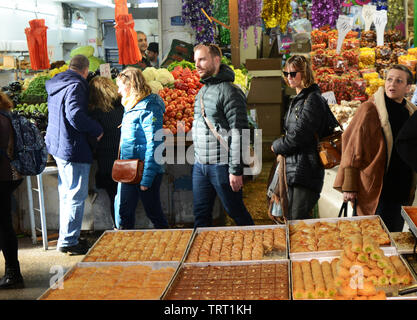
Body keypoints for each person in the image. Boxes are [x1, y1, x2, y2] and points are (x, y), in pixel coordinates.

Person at [334, 64, 417, 232]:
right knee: (370, 236)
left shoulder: (410, 112)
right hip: (376, 188)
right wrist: (349, 186)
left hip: (401, 189)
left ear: (408, 87)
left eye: (399, 81)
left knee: (393, 236)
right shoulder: (370, 109)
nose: (392, 84)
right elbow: (351, 146)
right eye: (389, 79)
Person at [45, 54, 104, 255]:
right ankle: (69, 241)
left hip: (59, 146)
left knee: (67, 194)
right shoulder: (77, 86)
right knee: (76, 195)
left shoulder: (57, 83)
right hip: (73, 147)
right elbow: (75, 115)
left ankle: (66, 236)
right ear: (85, 70)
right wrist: (96, 129)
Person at [192, 43, 254, 227]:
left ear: (216, 60)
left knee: (235, 210)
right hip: (200, 165)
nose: (197, 65)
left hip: (222, 165)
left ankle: (255, 245)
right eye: (195, 60)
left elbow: (239, 131)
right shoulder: (202, 91)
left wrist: (235, 170)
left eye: (202, 59)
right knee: (201, 214)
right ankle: (203, 255)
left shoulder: (230, 91)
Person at [271, 55, 337, 221]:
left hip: (306, 170)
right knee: (291, 218)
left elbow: (301, 135)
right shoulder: (299, 99)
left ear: (305, 73)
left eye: (293, 74)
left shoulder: (312, 99)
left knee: (297, 221)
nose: (289, 77)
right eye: (286, 73)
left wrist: (277, 146)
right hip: (296, 168)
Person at [114, 67, 168, 229]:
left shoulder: (149, 107)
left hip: (145, 171)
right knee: (123, 214)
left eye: (120, 86)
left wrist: (147, 179)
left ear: (130, 86)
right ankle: (127, 250)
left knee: (154, 213)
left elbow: (154, 143)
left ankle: (170, 249)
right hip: (129, 170)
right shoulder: (130, 106)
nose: (118, 91)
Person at [88, 76, 124, 228]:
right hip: (126, 160)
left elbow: (93, 139)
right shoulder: (122, 108)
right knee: (124, 198)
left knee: (114, 198)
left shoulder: (95, 114)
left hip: (107, 165)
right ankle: (126, 228)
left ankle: (119, 229)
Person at [0, 92, 24, 289]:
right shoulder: (6, 115)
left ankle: (13, 273)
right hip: (8, 176)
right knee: (4, 225)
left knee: (4, 226)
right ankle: (12, 272)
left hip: (2, 176)